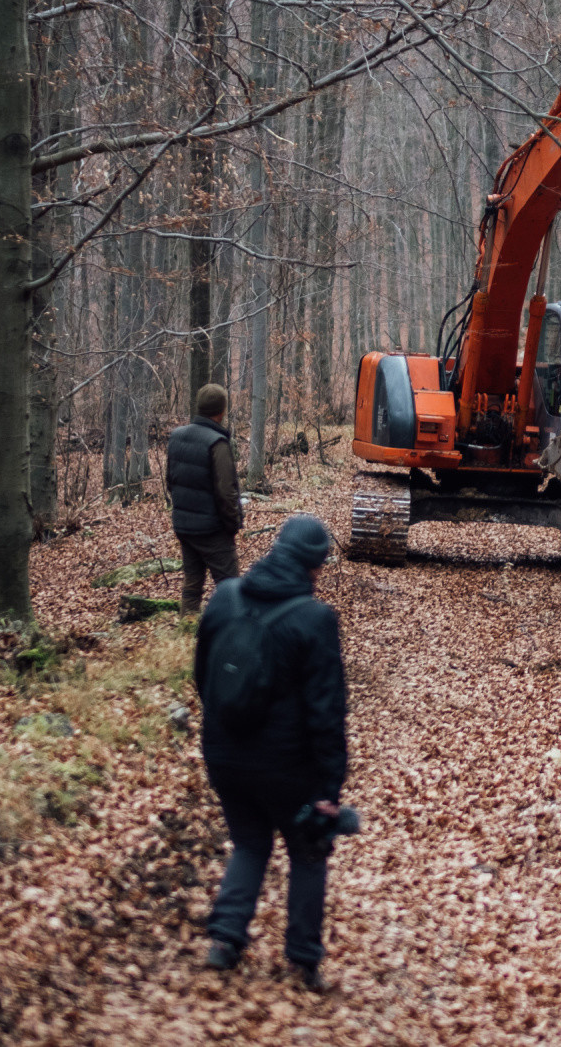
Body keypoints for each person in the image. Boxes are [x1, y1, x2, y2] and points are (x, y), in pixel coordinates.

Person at [196, 514, 347, 988]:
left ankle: (224, 941)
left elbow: (203, 675)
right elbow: (327, 713)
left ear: (276, 549)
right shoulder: (315, 619)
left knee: (249, 842)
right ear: (316, 566)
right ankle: (303, 959)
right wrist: (328, 788)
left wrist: (229, 729)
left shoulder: (224, 597)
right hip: (287, 766)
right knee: (307, 850)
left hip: (222, 752)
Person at [167, 384, 242, 615]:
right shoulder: (217, 443)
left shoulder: (177, 436)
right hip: (212, 530)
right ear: (221, 412)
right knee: (231, 589)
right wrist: (233, 524)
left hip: (184, 526)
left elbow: (170, 481)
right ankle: (233, 639)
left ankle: (185, 635)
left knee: (192, 585)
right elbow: (226, 492)